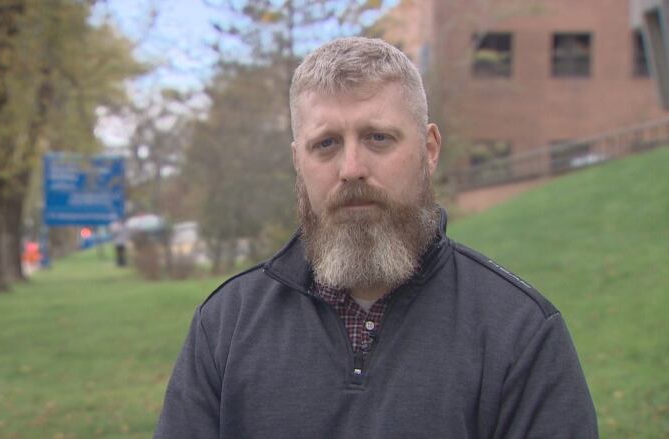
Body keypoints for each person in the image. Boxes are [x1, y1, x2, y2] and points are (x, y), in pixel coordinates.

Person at [155, 37, 598, 438]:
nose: (351, 169)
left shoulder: (519, 332)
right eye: (326, 144)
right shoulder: (225, 327)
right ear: (298, 161)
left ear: (429, 150)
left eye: (378, 138)